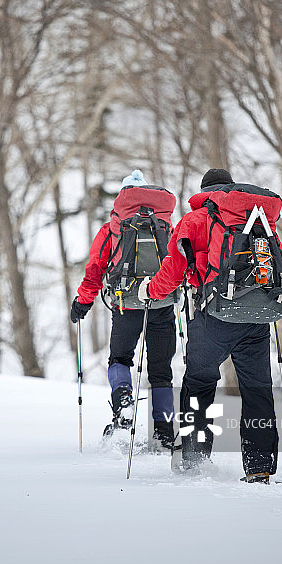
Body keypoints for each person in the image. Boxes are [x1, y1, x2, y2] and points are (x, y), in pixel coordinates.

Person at [138, 168, 279, 483]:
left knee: (199, 384)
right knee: (257, 391)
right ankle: (259, 467)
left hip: (212, 316)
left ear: (204, 190)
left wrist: (150, 291)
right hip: (257, 317)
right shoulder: (257, 217)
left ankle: (194, 457)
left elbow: (173, 270)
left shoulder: (196, 220)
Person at [70, 170, 177, 450]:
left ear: (122, 197)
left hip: (125, 302)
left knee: (120, 358)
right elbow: (180, 262)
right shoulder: (165, 225)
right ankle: (165, 433)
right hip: (162, 303)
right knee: (161, 371)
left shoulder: (113, 228)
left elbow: (94, 270)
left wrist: (83, 301)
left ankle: (124, 406)